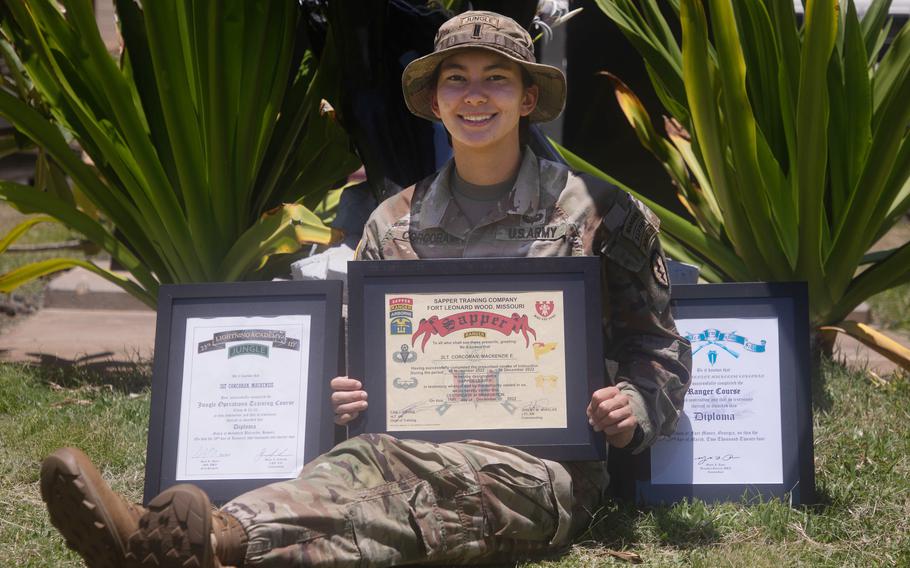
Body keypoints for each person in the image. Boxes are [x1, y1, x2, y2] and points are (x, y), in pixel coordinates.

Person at [40, 11, 691, 568]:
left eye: (496, 77)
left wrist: (632, 405)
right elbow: (372, 358)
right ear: (435, 102)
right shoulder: (392, 222)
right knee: (356, 465)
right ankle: (208, 539)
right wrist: (348, 389)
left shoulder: (602, 210)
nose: (475, 95)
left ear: (528, 97)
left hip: (546, 464)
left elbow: (657, 348)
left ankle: (197, 537)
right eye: (455, 79)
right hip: (408, 443)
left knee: (429, 486)